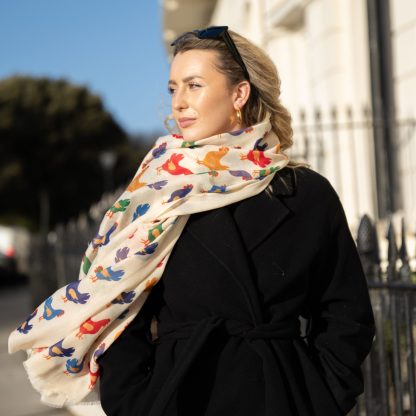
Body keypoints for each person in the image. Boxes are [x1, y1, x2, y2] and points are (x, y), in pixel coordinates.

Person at [8, 26, 376, 416]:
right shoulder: (157, 191)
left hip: (282, 394)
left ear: (239, 94)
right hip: (182, 396)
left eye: (194, 85)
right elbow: (119, 303)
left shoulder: (305, 192)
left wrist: (324, 396)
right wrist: (136, 400)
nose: (178, 103)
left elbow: (345, 309)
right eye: (173, 89)